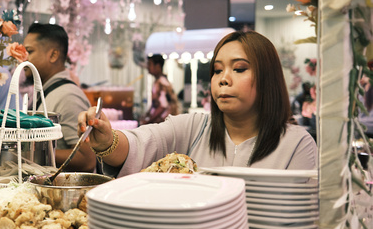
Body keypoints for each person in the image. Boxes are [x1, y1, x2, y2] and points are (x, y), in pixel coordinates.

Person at [78, 31, 317, 178]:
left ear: (268, 77)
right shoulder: (193, 128)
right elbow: (143, 143)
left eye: (239, 69)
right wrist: (108, 141)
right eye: (217, 70)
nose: (224, 78)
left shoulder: (296, 144)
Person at [24, 23, 96, 172]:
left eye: (29, 51)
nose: (24, 59)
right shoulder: (45, 92)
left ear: (53, 55)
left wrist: (28, 153)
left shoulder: (68, 96)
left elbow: (87, 159)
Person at [141, 54, 180, 124]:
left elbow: (162, 106)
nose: (147, 67)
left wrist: (149, 121)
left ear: (158, 66)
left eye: (150, 64)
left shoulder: (161, 83)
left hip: (164, 123)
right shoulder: (161, 81)